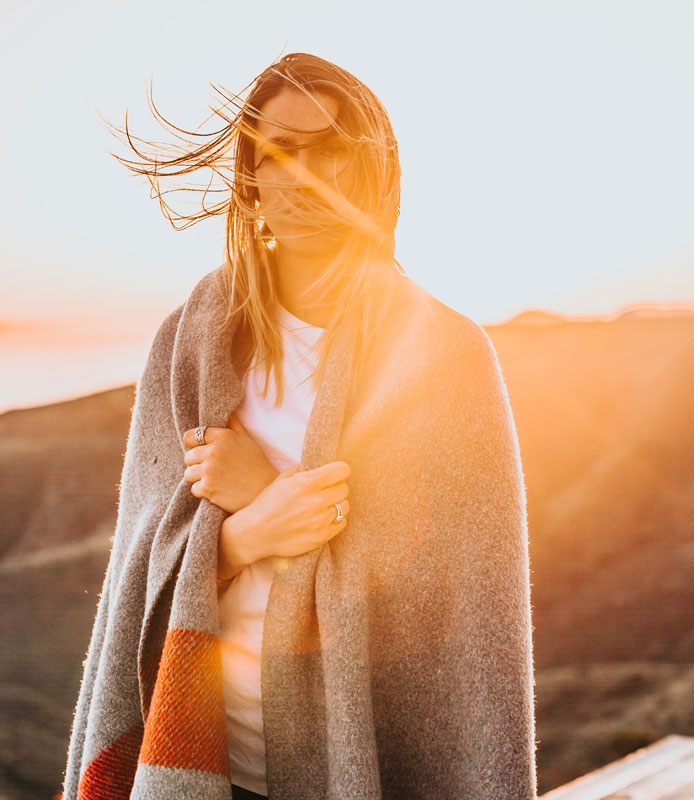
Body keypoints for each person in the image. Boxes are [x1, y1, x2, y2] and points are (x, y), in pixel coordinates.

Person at [62, 53, 538, 800]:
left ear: (372, 173)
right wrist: (249, 532)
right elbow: (140, 569)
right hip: (207, 757)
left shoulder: (446, 356)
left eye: (334, 151)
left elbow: (464, 607)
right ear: (251, 174)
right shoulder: (189, 344)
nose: (307, 174)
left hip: (368, 766)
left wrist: (267, 491)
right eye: (281, 149)